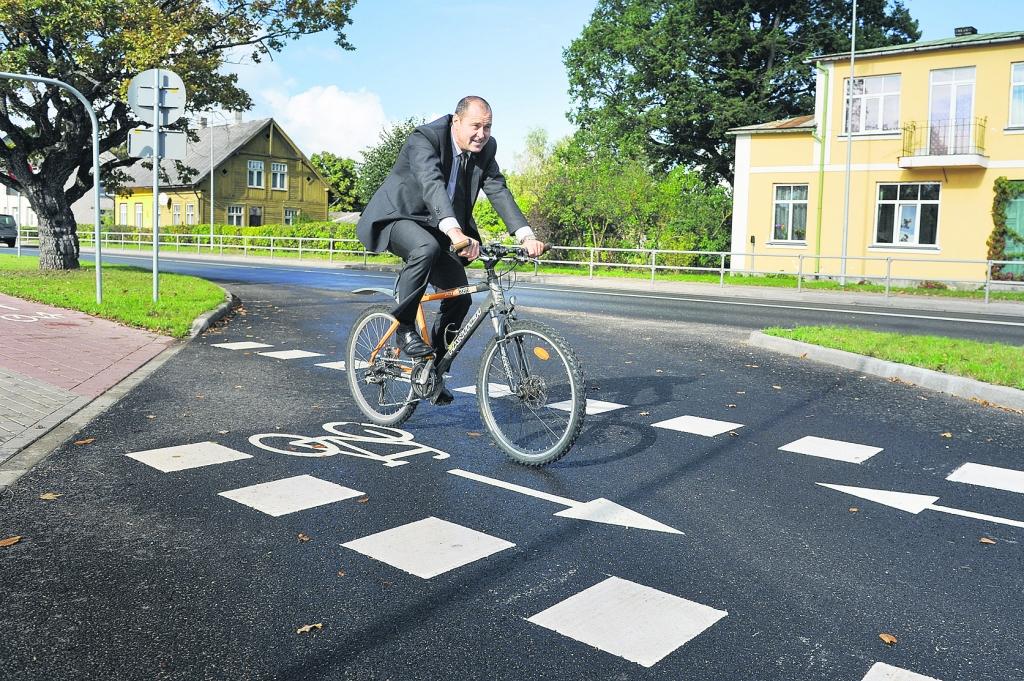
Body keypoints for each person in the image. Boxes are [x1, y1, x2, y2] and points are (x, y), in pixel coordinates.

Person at [356, 96, 545, 404]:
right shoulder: (426, 137)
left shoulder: (486, 149)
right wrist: (455, 231)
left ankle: (431, 371)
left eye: (487, 127)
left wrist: (526, 235)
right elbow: (431, 184)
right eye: (475, 126)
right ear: (456, 121)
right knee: (425, 247)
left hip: (438, 228)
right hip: (398, 217)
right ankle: (404, 328)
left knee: (460, 297)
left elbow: (498, 189)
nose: (482, 134)